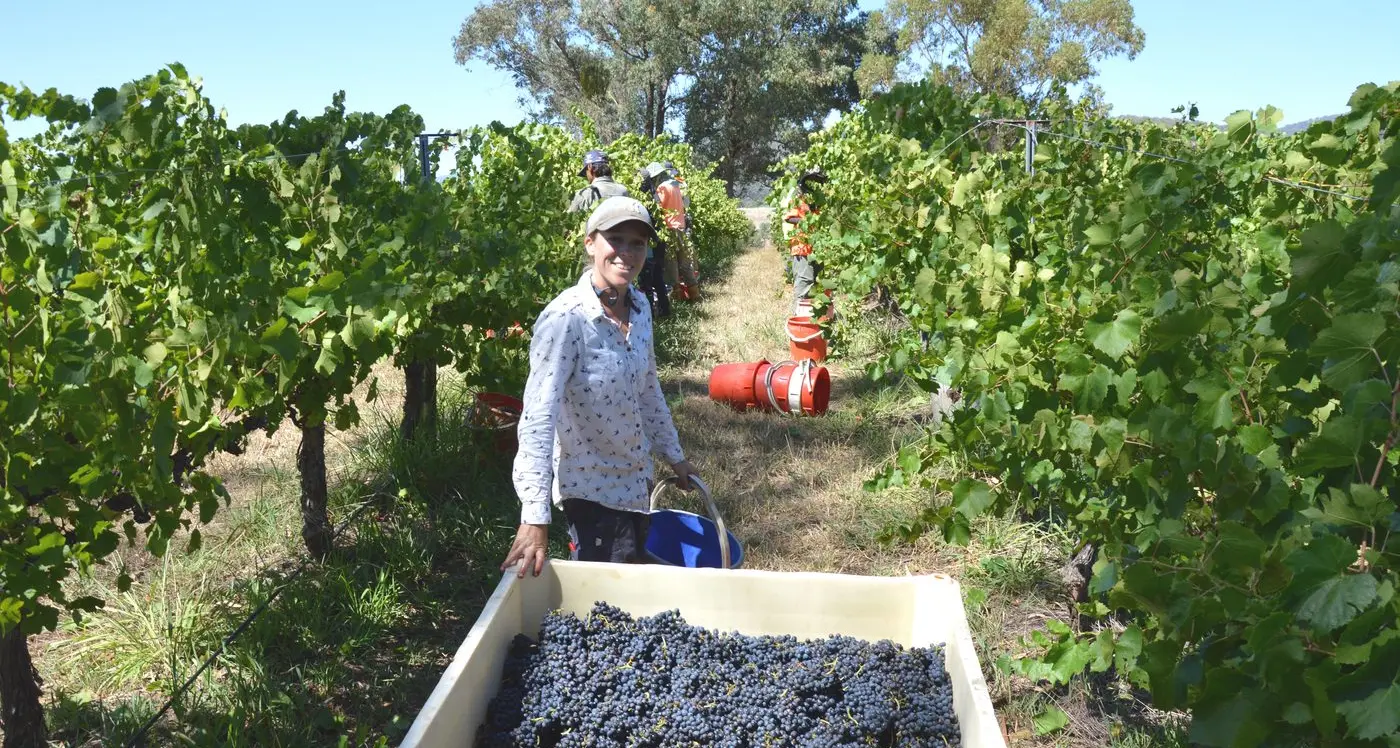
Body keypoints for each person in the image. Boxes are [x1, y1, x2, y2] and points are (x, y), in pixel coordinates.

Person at [502, 196, 702, 577]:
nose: (626, 252)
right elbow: (538, 418)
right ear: (590, 243)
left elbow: (648, 390)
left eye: (637, 243)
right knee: (607, 602)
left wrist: (674, 457)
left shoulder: (640, 308)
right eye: (616, 239)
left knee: (635, 588)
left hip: (636, 482)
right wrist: (534, 515)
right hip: (590, 490)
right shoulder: (566, 320)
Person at [646, 161, 701, 302]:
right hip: (681, 227)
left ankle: (678, 298)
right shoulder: (676, 185)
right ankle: (695, 295)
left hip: (670, 229)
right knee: (685, 262)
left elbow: (658, 207)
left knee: (671, 264)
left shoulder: (662, 188)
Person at [784, 168, 828, 315]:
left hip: (818, 249)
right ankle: (799, 321)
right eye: (812, 180)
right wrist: (806, 220)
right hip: (802, 249)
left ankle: (814, 319)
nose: (814, 184)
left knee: (817, 286)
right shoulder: (799, 198)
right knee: (804, 284)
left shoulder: (819, 199)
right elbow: (789, 217)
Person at [567, 150, 630, 215]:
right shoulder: (623, 190)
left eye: (585, 172)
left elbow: (570, 219)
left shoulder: (586, 194)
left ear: (590, 168)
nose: (586, 176)